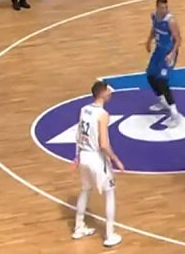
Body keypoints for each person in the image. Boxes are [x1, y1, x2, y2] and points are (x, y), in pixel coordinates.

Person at [72, 80, 124, 248]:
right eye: (108, 91)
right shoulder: (103, 114)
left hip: (84, 155)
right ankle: (109, 235)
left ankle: (79, 227)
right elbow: (103, 144)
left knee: (85, 190)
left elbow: (78, 135)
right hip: (96, 158)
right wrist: (115, 159)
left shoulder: (83, 109)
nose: (110, 93)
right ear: (102, 94)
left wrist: (77, 155)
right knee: (110, 193)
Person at [145, 0, 183, 127]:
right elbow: (154, 29)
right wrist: (148, 41)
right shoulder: (154, 16)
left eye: (166, 7)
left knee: (162, 81)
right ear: (157, 7)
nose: (165, 10)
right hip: (159, 50)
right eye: (162, 7)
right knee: (150, 75)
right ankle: (163, 101)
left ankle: (175, 114)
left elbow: (179, 39)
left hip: (169, 52)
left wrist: (172, 54)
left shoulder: (170, 21)